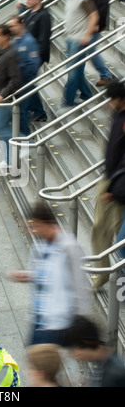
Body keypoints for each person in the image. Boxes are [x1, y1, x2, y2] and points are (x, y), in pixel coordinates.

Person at [9, 201, 89, 347]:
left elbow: (79, 285)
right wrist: (29, 276)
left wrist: (77, 318)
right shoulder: (40, 245)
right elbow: (47, 275)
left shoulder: (69, 247)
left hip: (58, 322)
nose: (33, 231)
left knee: (42, 365)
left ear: (48, 223)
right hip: (40, 318)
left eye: (36, 226)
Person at [90, 81, 125, 289]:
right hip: (110, 177)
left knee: (117, 231)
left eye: (112, 99)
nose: (109, 103)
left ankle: (118, 277)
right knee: (99, 227)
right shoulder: (118, 114)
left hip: (118, 183)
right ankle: (103, 271)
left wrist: (113, 188)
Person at [58, 0, 99, 109]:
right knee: (77, 70)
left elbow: (94, 15)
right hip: (71, 38)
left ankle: (68, 100)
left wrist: (87, 34)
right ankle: (87, 94)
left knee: (73, 71)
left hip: (79, 38)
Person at [0, 24, 21, 168]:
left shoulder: (11, 54)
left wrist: (2, 95)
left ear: (6, 36)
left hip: (3, 100)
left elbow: (15, 79)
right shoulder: (2, 52)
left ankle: (10, 158)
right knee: (1, 128)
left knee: (1, 128)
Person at [8, 15, 45, 136]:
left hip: (25, 80)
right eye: (9, 26)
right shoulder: (15, 41)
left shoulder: (29, 41)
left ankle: (27, 138)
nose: (11, 28)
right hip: (18, 80)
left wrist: (20, 75)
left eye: (13, 26)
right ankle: (40, 112)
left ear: (21, 25)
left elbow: (33, 65)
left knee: (20, 111)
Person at [76, 0, 111, 87]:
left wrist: (97, 23)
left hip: (94, 25)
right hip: (87, 24)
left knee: (91, 51)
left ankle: (105, 75)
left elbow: (103, 7)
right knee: (87, 51)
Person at [65, 315, 125, 387]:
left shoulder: (114, 375)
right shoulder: (97, 361)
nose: (72, 354)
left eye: (74, 348)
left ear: (87, 343)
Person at [24, 0, 51, 67]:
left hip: (35, 55)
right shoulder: (29, 13)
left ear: (37, 0)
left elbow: (44, 38)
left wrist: (36, 55)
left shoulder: (44, 16)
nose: (27, 1)